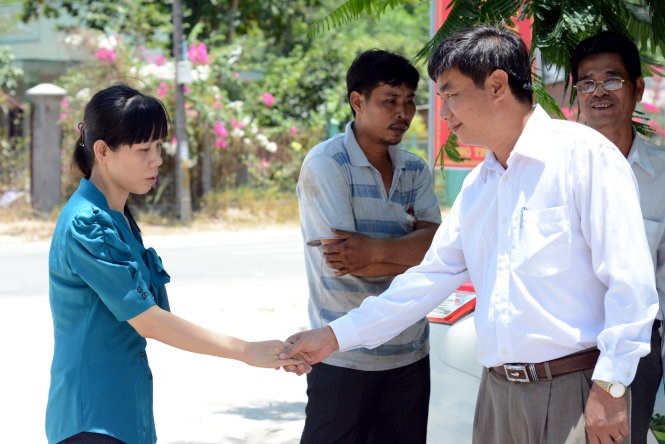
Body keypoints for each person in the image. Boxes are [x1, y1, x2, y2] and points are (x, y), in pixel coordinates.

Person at [282, 25, 659, 444]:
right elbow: (426, 280)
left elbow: (631, 285)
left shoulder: (585, 158)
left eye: (451, 94)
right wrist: (333, 336)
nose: (442, 113)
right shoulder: (481, 186)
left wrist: (610, 386)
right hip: (497, 395)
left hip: (575, 389)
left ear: (497, 85)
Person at [45, 84, 306, 444]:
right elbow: (149, 320)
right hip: (92, 417)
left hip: (123, 413)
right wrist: (246, 351)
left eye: (158, 146)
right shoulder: (86, 223)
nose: (157, 160)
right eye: (143, 149)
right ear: (103, 151)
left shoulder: (116, 217)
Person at [294, 49, 441, 443]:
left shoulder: (415, 169)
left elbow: (436, 252)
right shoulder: (327, 164)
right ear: (357, 102)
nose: (404, 112)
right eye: (389, 101)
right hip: (342, 353)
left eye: (410, 101)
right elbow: (347, 263)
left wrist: (373, 251)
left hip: (410, 355)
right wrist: (411, 253)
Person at [571, 31, 665, 443]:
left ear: (637, 88)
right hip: (566, 350)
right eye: (587, 83)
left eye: (611, 80)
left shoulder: (662, 174)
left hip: (636, 349)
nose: (598, 92)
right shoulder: (555, 168)